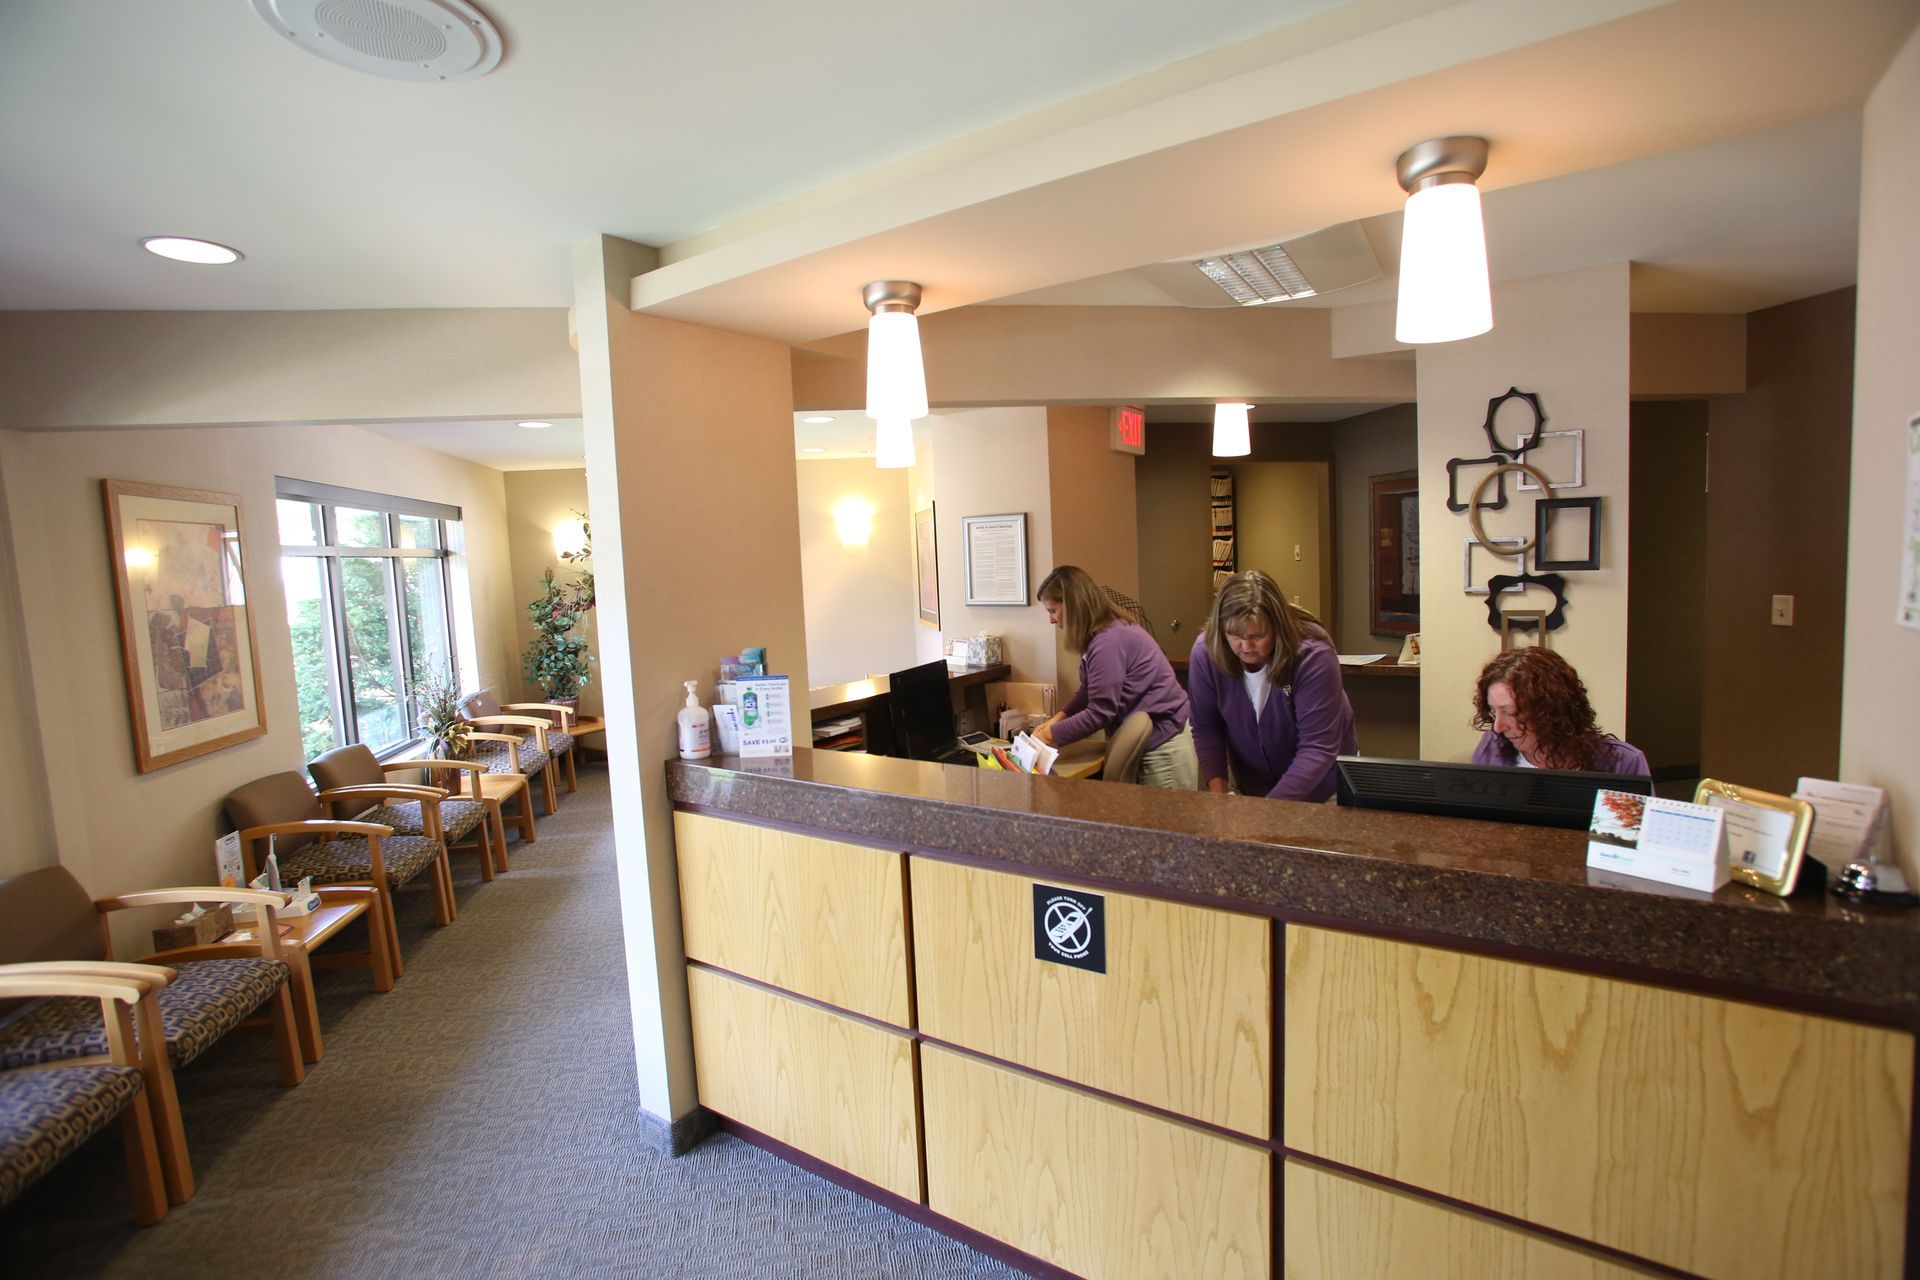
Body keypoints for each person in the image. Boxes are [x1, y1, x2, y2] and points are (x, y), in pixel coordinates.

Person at [1188, 571, 1357, 802]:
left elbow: (1318, 748)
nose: (1246, 646)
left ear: (1278, 626)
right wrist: (1220, 799)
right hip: (1254, 786)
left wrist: (1267, 813)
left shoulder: (1312, 655)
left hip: (1322, 787)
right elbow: (1206, 727)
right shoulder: (1206, 653)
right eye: (1234, 635)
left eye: (1258, 636)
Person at [1032, 565, 1197, 789]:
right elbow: (1089, 689)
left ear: (1073, 606)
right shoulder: (1100, 636)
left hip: (1164, 745)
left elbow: (1100, 712)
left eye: (1053, 610)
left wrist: (1051, 735)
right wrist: (1058, 718)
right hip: (1153, 738)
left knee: (1170, 822)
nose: (1052, 620)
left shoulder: (1108, 642)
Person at [1471, 648, 1650, 775]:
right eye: (1495, 711)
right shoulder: (1493, 748)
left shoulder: (1623, 763)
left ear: (1550, 711)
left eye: (1510, 712)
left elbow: (1634, 827)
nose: (1498, 727)